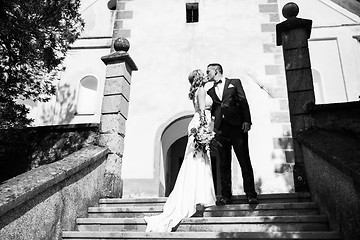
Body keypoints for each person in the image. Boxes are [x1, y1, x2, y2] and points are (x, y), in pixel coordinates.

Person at [144, 69, 216, 232]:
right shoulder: (202, 90)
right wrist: (206, 130)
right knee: (199, 164)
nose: (206, 75)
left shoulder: (197, 90)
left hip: (196, 123)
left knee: (196, 163)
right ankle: (197, 205)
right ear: (200, 78)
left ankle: (197, 203)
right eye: (202, 73)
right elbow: (204, 112)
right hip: (200, 125)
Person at [206, 63, 258, 205]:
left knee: (244, 160)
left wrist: (247, 120)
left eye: (208, 71)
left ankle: (251, 194)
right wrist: (212, 130)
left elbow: (243, 102)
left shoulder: (234, 83)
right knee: (223, 163)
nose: (207, 74)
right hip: (221, 129)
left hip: (237, 127)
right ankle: (226, 196)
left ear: (216, 71)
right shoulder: (209, 91)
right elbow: (212, 111)